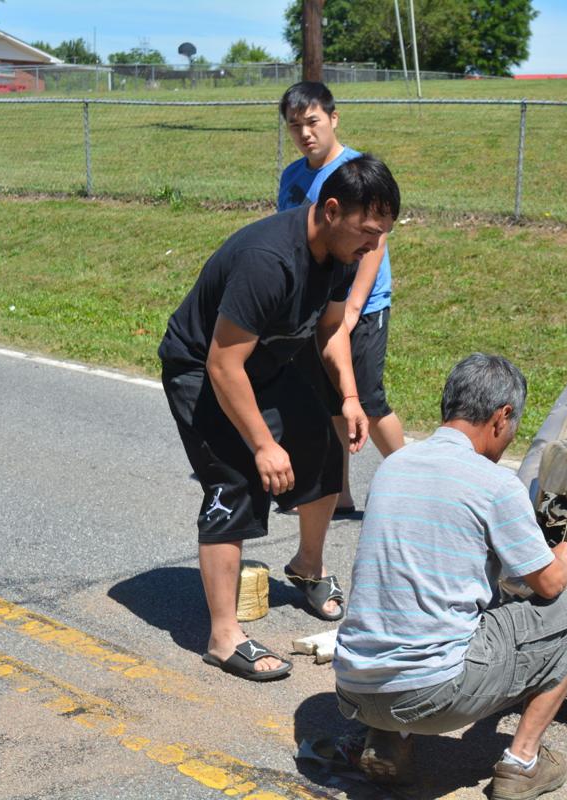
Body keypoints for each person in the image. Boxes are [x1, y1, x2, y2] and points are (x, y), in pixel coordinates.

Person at [158, 155, 400, 680]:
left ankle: (307, 567)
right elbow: (223, 365)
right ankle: (223, 637)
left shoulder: (341, 252)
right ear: (332, 211)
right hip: (202, 367)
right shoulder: (269, 259)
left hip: (266, 359)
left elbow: (333, 330)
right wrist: (264, 444)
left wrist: (352, 399)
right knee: (237, 477)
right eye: (368, 233)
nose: (373, 246)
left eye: (381, 234)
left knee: (323, 449)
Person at [333, 354, 567, 799]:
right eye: (512, 427)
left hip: (353, 687)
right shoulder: (495, 484)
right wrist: (566, 557)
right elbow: (547, 584)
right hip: (430, 694)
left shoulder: (393, 466)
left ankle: (386, 741)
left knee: (425, 604)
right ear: (501, 417)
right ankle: (522, 763)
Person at [278, 81, 405, 515]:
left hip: (362, 307)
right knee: (330, 397)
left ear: (333, 118)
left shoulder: (357, 170)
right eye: (295, 126)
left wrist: (352, 309)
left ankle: (415, 482)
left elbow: (377, 241)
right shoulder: (292, 177)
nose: (304, 133)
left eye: (312, 121)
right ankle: (338, 490)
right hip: (319, 305)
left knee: (367, 401)